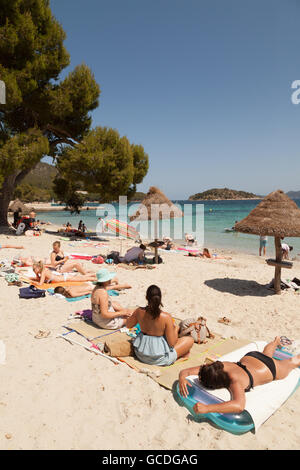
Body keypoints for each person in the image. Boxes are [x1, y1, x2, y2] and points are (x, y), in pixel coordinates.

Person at [178, 336, 300, 415]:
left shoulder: (235, 382)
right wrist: (182, 377)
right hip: (252, 356)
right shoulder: (219, 366)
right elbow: (186, 371)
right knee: (266, 354)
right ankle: (276, 341)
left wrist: (208, 408)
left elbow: (239, 406)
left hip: (270, 368)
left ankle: (280, 345)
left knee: (292, 362)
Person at [126, 285, 194, 366]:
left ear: (146, 297)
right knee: (189, 340)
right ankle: (179, 355)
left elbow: (128, 325)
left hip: (140, 355)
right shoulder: (166, 317)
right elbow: (172, 343)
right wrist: (176, 329)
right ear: (160, 299)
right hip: (159, 359)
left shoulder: (139, 311)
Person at [30, 261, 97, 285]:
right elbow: (40, 279)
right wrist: (36, 274)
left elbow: (40, 283)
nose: (33, 270)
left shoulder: (43, 272)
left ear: (38, 268)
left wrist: (33, 282)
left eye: (34, 269)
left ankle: (95, 277)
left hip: (65, 278)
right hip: (63, 277)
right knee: (82, 278)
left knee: (83, 279)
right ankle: (94, 275)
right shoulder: (43, 271)